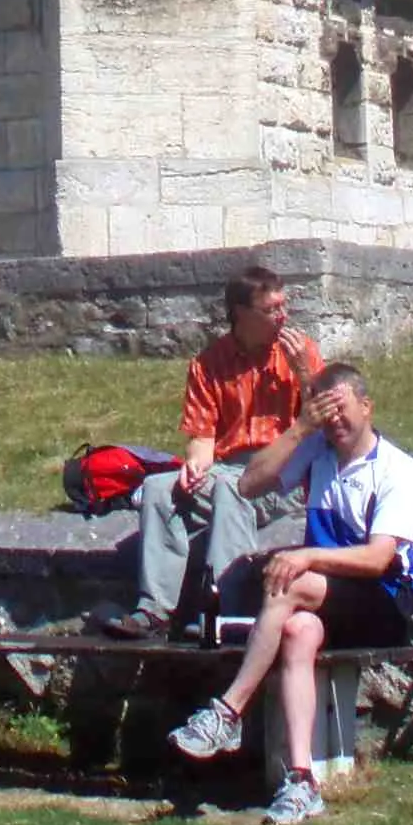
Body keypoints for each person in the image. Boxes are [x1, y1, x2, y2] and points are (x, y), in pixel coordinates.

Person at [168, 363, 413, 825]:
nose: (335, 422)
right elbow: (248, 485)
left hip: (383, 600)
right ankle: (302, 781)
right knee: (299, 630)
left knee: (290, 581)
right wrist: (299, 429)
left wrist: (307, 558)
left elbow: (378, 560)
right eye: (325, 414)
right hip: (327, 597)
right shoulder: (318, 450)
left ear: (367, 407)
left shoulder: (397, 468)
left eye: (342, 410)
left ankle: (228, 711)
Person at [100, 265, 322, 639]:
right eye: (270, 310)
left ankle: (226, 611)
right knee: (157, 490)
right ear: (241, 313)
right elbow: (203, 438)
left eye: (284, 306)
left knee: (229, 489)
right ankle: (153, 611)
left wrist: (304, 373)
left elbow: (324, 420)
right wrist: (194, 465)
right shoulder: (208, 364)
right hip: (229, 468)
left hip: (283, 473)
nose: (282, 317)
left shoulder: (299, 355)